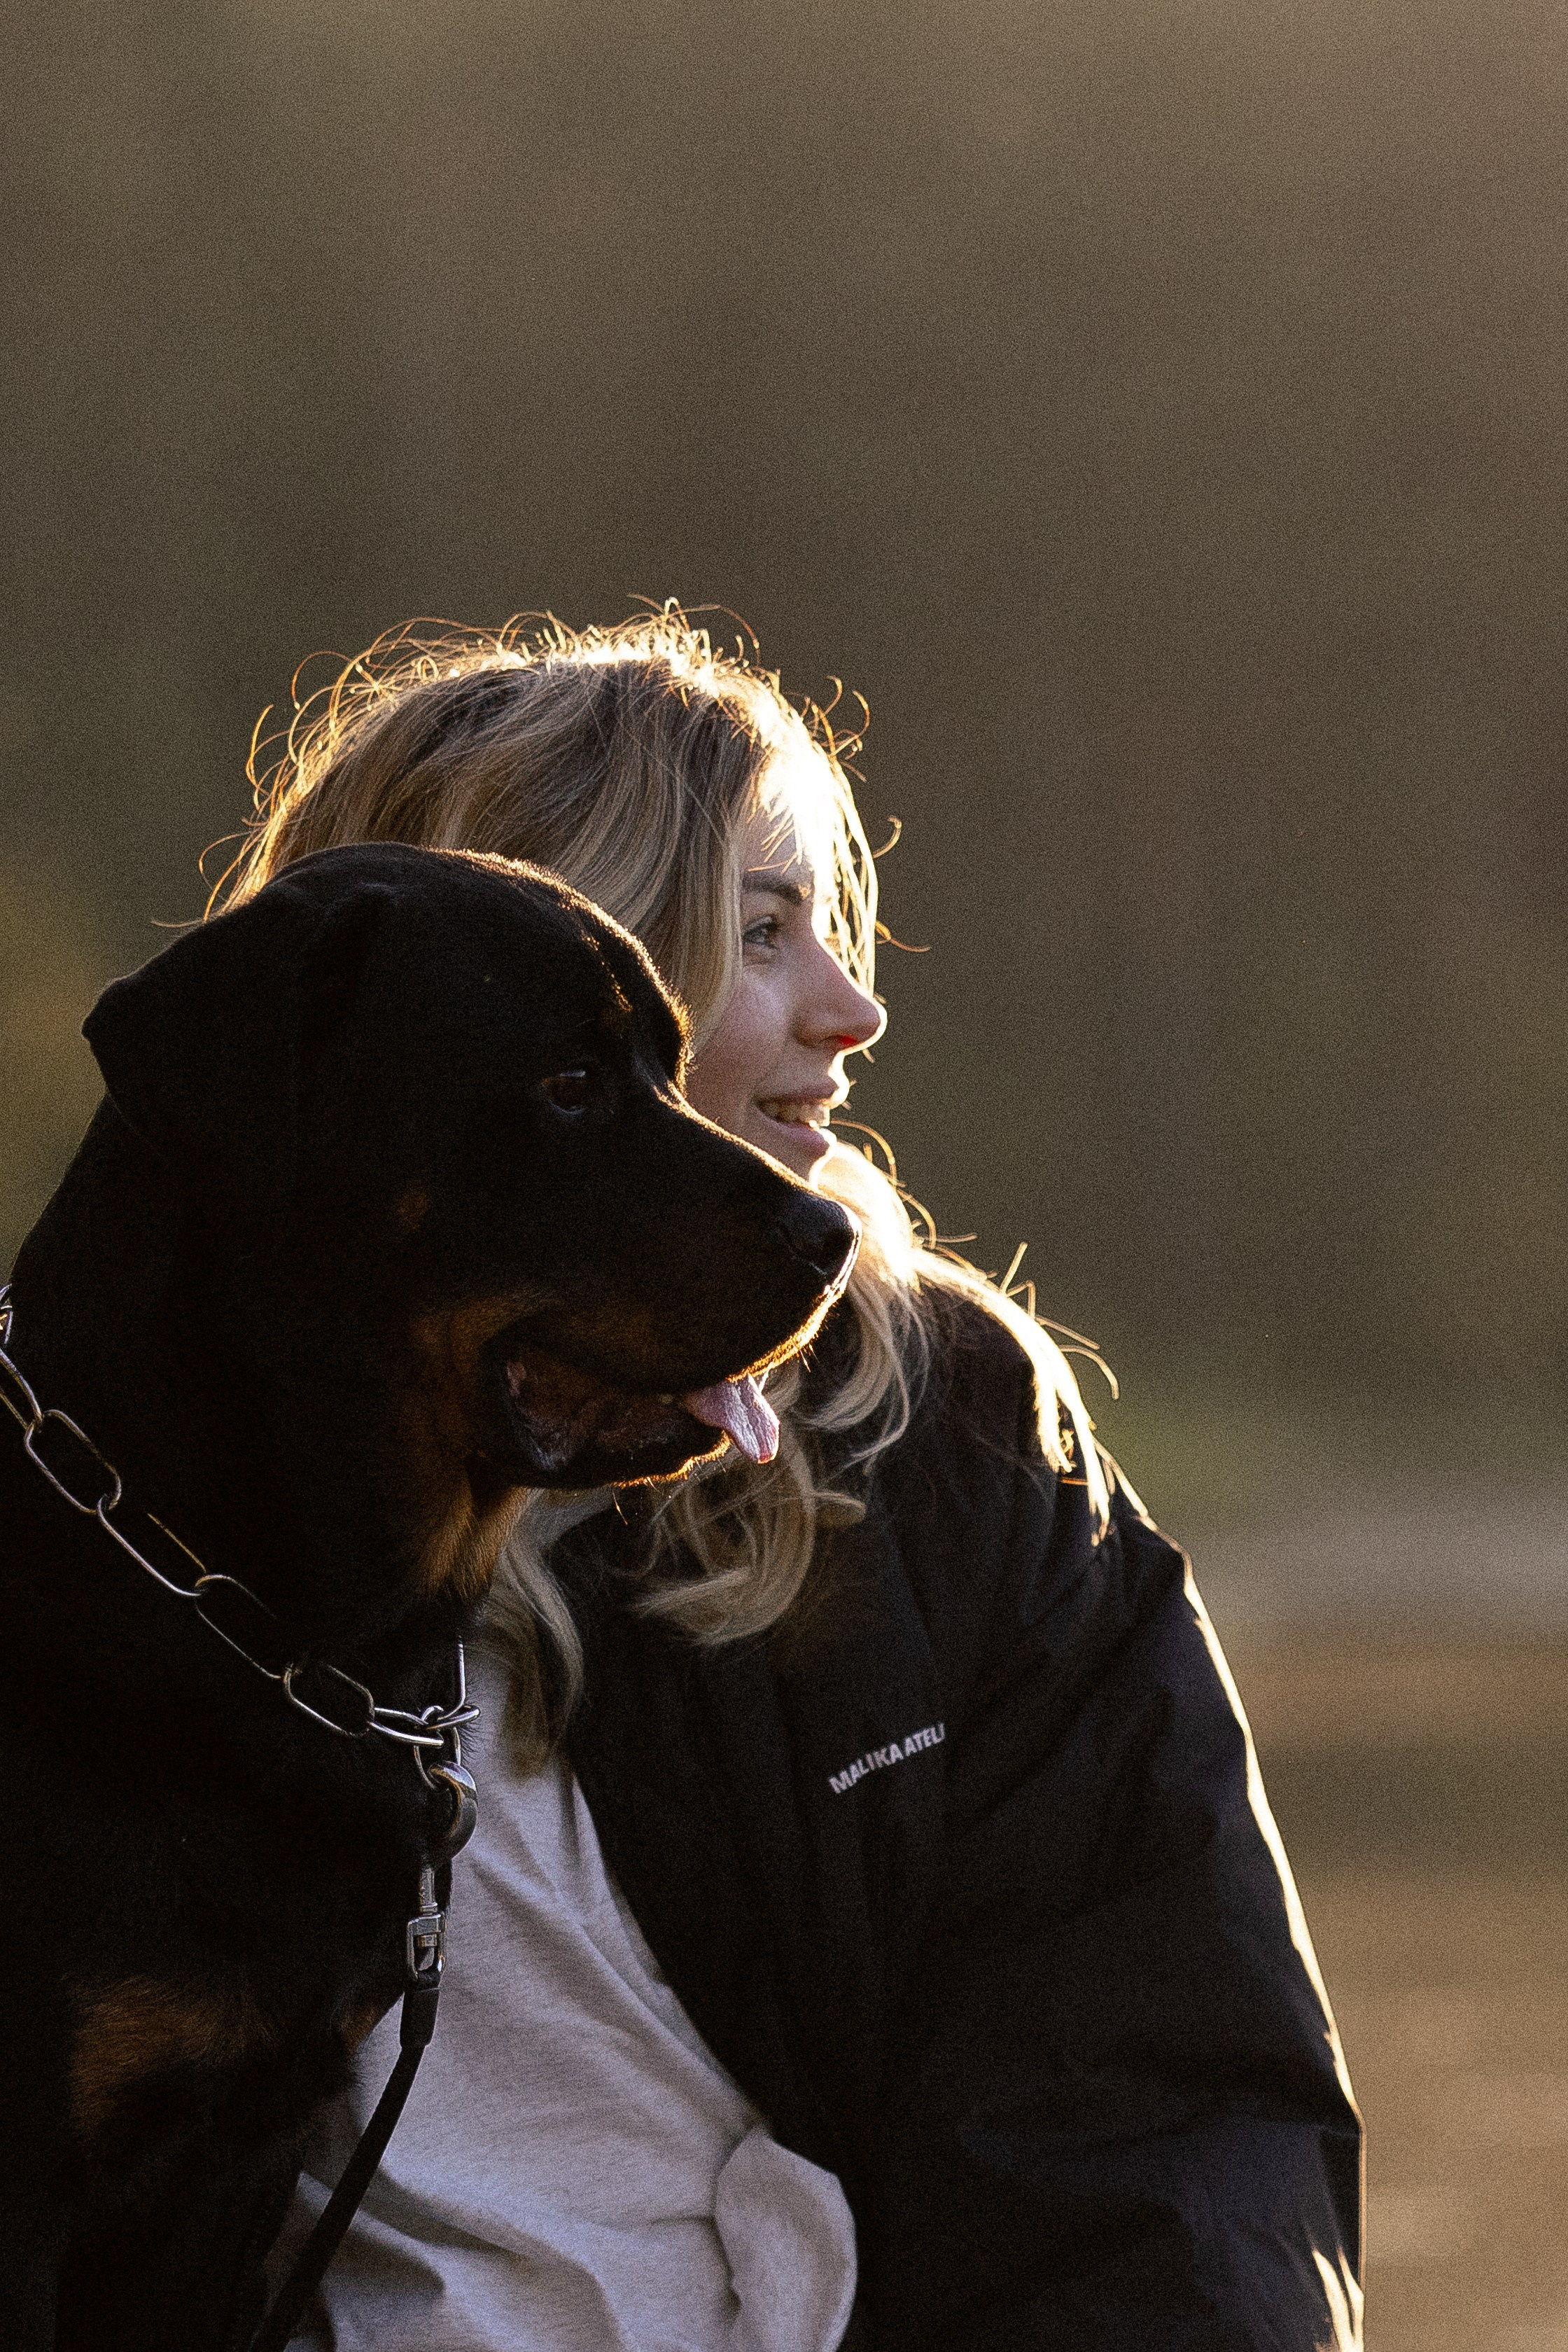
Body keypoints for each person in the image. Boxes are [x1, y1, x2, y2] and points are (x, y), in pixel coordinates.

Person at [220, 611, 1362, 2350]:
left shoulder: (945, 1436)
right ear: (525, 979)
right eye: (762, 933)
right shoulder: (111, 1512)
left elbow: (1161, 2129)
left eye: (828, 925)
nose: (855, 1006)